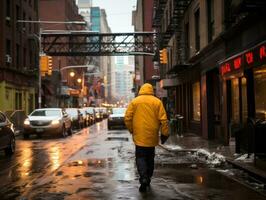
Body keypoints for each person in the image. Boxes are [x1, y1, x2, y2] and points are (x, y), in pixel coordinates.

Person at [124, 83, 169, 193]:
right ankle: (148, 177)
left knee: (140, 158)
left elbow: (127, 118)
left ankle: (143, 177)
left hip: (139, 137)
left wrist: (132, 130)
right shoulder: (157, 102)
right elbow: (164, 120)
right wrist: (165, 134)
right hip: (152, 135)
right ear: (151, 90)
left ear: (141, 90)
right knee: (150, 158)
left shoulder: (135, 102)